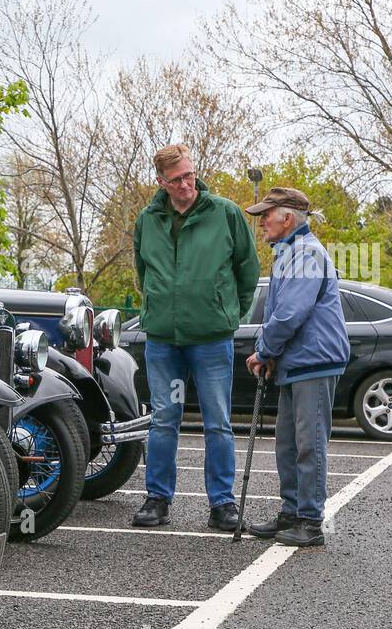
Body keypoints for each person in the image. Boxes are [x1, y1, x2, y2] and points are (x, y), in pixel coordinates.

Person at [132, 144, 259, 530]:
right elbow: (143, 271)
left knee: (217, 420)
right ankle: (157, 499)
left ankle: (222, 503)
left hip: (211, 340)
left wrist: (230, 315)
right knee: (164, 418)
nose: (187, 183)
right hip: (164, 343)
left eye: (190, 175)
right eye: (177, 179)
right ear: (161, 182)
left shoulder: (225, 213)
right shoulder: (147, 220)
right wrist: (157, 306)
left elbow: (247, 269)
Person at [243, 187, 351, 547]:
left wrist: (264, 350)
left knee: (309, 443)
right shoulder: (291, 252)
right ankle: (292, 512)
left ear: (287, 218)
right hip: (300, 360)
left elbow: (290, 313)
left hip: (314, 361)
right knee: (288, 443)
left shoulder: (304, 253)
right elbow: (283, 312)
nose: (261, 223)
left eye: (266, 216)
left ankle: (309, 520)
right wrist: (271, 352)